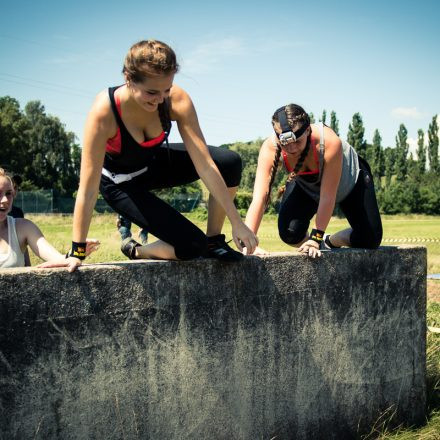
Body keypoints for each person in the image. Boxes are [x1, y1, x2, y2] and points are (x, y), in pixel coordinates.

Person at [58, 39, 257, 267]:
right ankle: (137, 250)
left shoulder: (176, 99)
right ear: (128, 79)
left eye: (166, 89)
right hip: (119, 184)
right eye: (151, 92)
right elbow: (88, 188)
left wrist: (237, 221)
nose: (160, 99)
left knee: (228, 161)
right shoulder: (104, 112)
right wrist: (77, 251)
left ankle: (214, 241)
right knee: (192, 246)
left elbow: (204, 164)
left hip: (151, 164)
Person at [245, 103, 382, 258]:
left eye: (297, 141)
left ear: (308, 130)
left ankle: (331, 240)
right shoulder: (270, 147)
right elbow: (260, 197)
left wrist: (316, 238)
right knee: (290, 233)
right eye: (286, 144)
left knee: (370, 239)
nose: (292, 149)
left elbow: (327, 197)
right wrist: (249, 242)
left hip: (349, 182)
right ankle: (320, 241)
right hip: (307, 184)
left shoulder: (330, 142)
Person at [0, 168, 99, 271]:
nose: (5, 200)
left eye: (8, 193)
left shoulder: (23, 228)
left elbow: (59, 259)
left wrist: (78, 252)